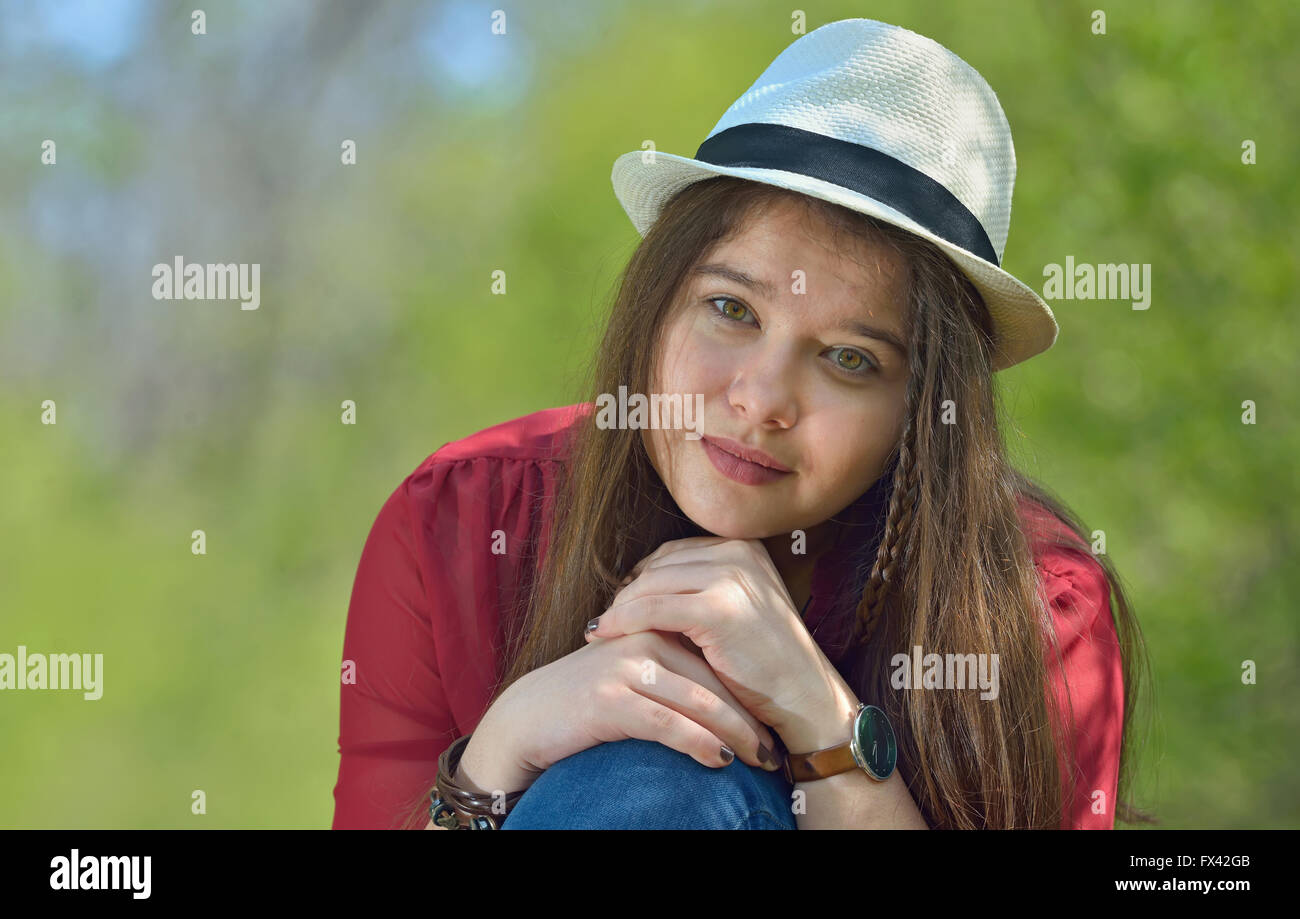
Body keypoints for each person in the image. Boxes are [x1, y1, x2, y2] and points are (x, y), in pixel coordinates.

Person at [331, 18, 1152, 830]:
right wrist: (498, 755)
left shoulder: (1036, 604)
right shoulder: (463, 519)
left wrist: (819, 720)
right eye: (731, 309)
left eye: (850, 359)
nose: (761, 400)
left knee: (653, 774)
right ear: (656, 301)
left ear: (922, 417)